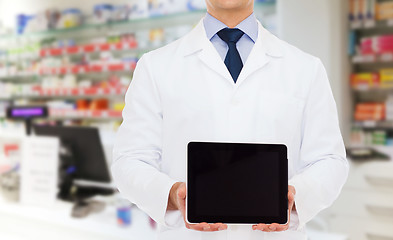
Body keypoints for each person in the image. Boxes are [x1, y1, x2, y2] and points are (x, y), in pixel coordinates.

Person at [112, 0, 349, 239]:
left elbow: (329, 160)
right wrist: (173, 194)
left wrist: (296, 196)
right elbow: (130, 160)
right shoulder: (155, 67)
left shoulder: (305, 68)